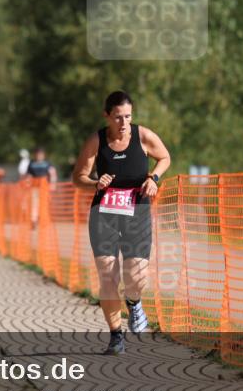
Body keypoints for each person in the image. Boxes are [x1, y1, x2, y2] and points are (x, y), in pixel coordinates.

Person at [72, 90, 171, 355]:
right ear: (107, 116)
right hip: (104, 213)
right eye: (117, 117)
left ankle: (134, 301)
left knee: (136, 276)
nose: (123, 123)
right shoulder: (96, 141)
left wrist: (154, 179)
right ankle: (116, 335)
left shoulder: (143, 136)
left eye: (127, 116)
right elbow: (78, 177)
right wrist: (95, 183)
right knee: (108, 275)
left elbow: (165, 157)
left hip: (136, 210)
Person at [24, 146, 57, 230]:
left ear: (44, 155)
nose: (39, 156)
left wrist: (53, 185)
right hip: (34, 187)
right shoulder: (31, 163)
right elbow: (28, 176)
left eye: (41, 154)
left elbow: (53, 174)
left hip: (45, 187)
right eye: (38, 154)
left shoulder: (47, 163)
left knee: (44, 204)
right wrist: (27, 185)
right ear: (35, 155)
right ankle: (33, 220)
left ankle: (43, 221)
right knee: (34, 204)